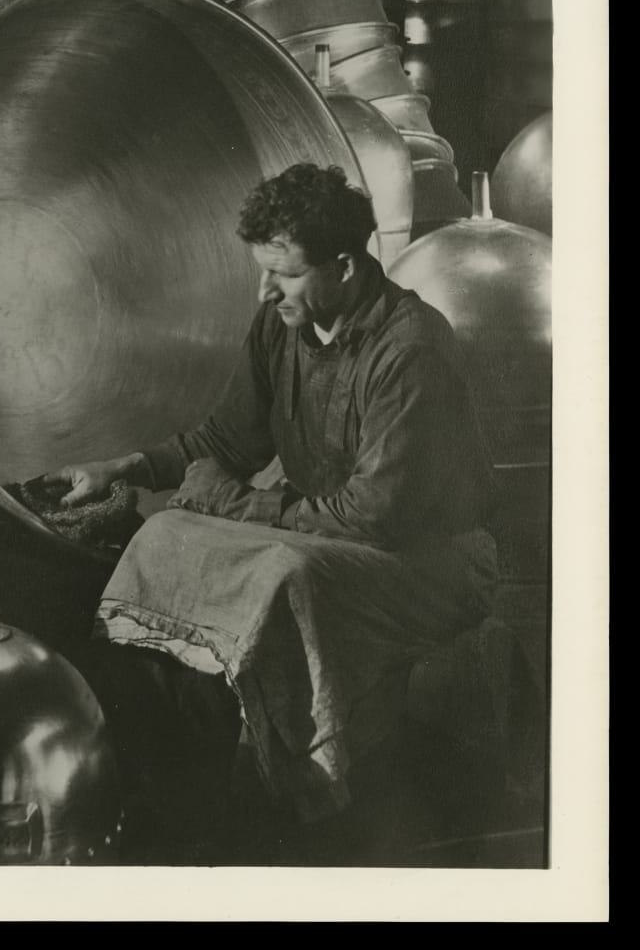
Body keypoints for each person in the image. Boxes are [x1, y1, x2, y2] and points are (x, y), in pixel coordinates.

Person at [44, 162, 498, 864]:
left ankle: (296, 798)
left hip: (428, 561)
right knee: (167, 531)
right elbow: (225, 441)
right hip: (330, 534)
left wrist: (234, 501)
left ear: (344, 267)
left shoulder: (412, 348)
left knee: (282, 572)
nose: (264, 290)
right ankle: (180, 782)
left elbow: (373, 514)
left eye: (282, 274)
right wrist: (124, 467)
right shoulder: (280, 326)